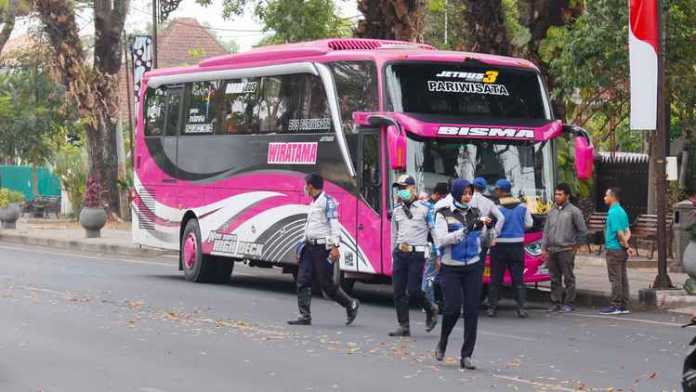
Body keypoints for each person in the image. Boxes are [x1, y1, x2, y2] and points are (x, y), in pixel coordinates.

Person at [288, 173, 360, 326]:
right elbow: (309, 227)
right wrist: (301, 244)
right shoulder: (313, 203)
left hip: (322, 249)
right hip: (309, 247)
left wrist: (335, 247)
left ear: (311, 186)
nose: (304, 187)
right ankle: (305, 316)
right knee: (302, 280)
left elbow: (335, 226)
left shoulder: (328, 202)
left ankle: (350, 304)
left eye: (306, 184)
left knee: (326, 284)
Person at [434, 179, 489, 370]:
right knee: (453, 308)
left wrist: (489, 230)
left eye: (470, 193)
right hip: (451, 267)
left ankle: (466, 355)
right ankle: (442, 341)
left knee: (472, 310)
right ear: (457, 193)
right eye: (464, 193)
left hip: (473, 266)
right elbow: (441, 240)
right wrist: (465, 231)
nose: (468, 196)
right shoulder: (443, 213)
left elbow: (483, 241)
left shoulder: (476, 213)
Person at [389, 174, 439, 337]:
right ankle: (403, 325)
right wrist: (393, 254)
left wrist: (438, 254)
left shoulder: (426, 208)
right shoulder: (397, 210)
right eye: (399, 189)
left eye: (404, 188)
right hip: (400, 253)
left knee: (414, 290)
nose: (401, 191)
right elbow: (394, 234)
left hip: (417, 254)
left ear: (413, 188)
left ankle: (430, 308)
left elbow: (434, 232)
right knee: (398, 290)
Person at [487, 178, 533, 318]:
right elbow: (529, 224)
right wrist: (518, 229)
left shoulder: (495, 207)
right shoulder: (523, 206)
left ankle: (492, 308)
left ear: (501, 191)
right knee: (518, 278)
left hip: (499, 246)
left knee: (496, 277)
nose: (495, 192)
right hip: (517, 246)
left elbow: (490, 226)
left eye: (497, 190)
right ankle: (521, 308)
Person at [542, 183, 588, 313]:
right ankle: (556, 302)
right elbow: (546, 231)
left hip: (566, 250)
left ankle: (569, 302)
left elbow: (582, 231)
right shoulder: (552, 210)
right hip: (552, 250)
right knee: (554, 278)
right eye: (556, 194)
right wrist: (543, 247)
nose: (557, 196)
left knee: (568, 277)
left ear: (567, 196)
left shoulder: (574, 211)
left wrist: (575, 247)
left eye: (560, 194)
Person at [600, 187, 636, 315]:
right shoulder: (622, 211)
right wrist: (626, 246)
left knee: (615, 278)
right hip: (620, 249)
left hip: (614, 249)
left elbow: (620, 233)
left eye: (606, 195)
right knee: (622, 278)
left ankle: (616, 305)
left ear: (613, 197)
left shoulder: (613, 212)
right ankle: (623, 305)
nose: (604, 197)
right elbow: (628, 231)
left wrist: (625, 245)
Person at [422, 182, 450, 310]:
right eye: (444, 196)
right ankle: (428, 304)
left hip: (429, 244)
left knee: (431, 274)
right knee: (429, 275)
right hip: (433, 245)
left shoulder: (425, 204)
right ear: (439, 195)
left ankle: (432, 301)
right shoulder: (434, 207)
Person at [470, 177, 505, 265]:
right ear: (484, 189)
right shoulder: (489, 202)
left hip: (468, 237)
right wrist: (494, 234)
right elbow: (501, 218)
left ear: (472, 187)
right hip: (483, 237)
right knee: (480, 266)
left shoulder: (465, 200)